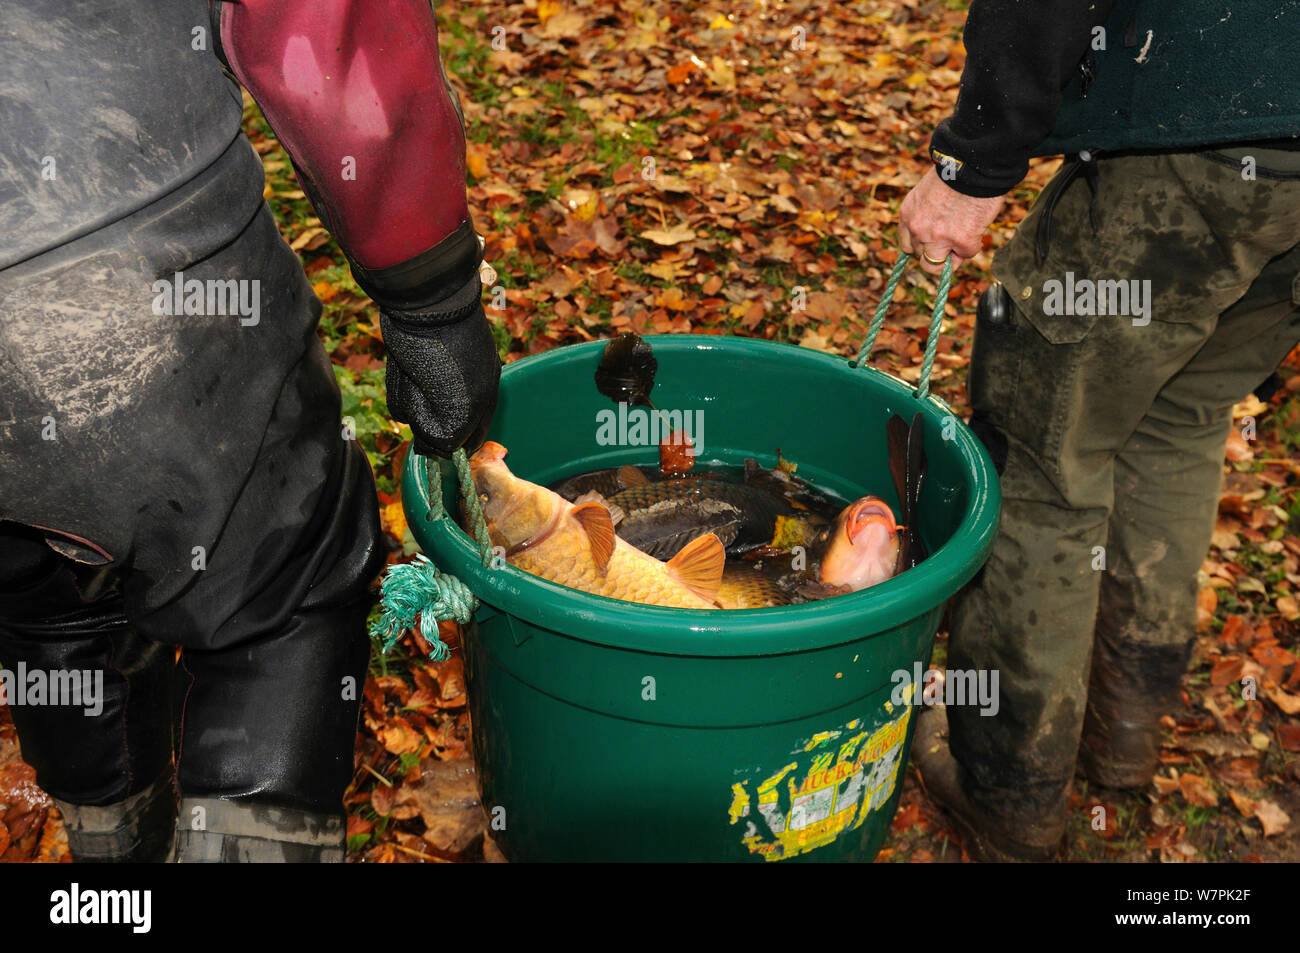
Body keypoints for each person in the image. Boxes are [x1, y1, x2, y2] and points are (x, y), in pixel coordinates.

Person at [0, 0, 499, 862]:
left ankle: (113, 863)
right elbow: (325, 39)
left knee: (45, 593)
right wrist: (433, 295)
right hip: (110, 267)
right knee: (283, 583)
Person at [897, 0, 1300, 860]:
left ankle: (1006, 783)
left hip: (1195, 143)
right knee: (1176, 419)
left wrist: (975, 160)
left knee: (1045, 455)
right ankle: (1123, 727)